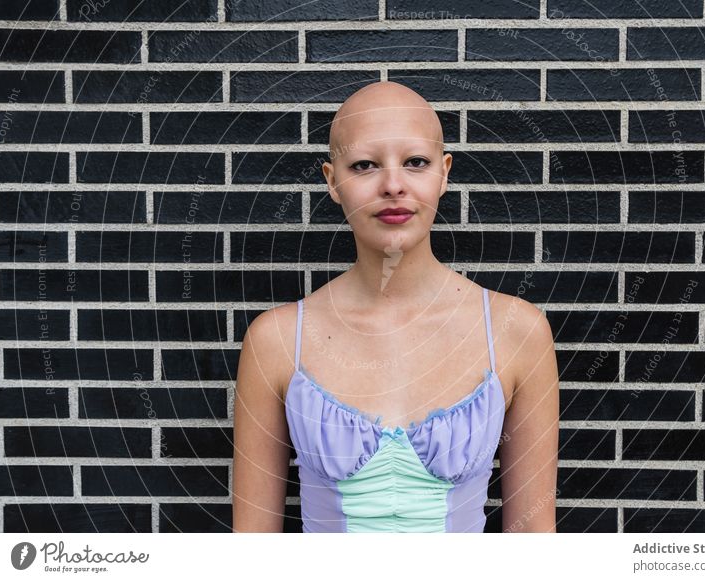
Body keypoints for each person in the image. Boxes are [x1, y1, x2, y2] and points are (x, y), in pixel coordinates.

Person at [232, 81, 559, 533]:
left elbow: (532, 538)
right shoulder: (275, 340)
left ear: (444, 174)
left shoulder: (516, 331)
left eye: (416, 163)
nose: (393, 185)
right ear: (332, 181)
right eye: (365, 165)